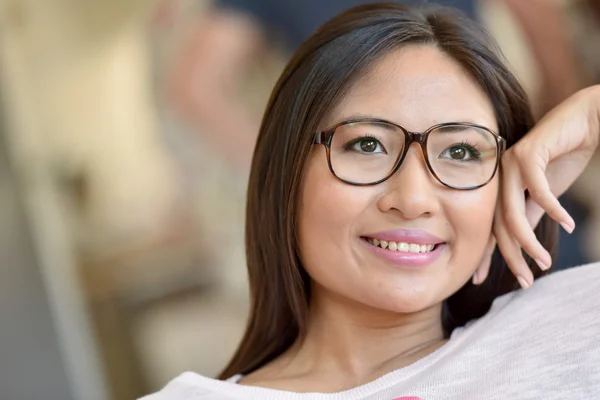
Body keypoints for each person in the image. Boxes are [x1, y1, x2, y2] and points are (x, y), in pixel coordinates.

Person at [143, 3, 600, 399]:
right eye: (366, 145)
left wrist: (591, 113)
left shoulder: (576, 320)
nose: (414, 199)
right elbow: (193, 84)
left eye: (461, 152)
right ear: (286, 171)